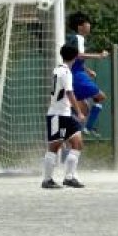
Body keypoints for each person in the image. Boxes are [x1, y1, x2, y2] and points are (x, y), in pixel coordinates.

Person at [42, 43, 88, 189]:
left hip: (64, 114)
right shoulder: (66, 72)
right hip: (58, 114)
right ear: (75, 57)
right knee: (54, 146)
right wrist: (79, 112)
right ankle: (47, 180)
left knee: (77, 143)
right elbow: (69, 92)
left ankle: (69, 177)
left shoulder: (58, 69)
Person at [66, 11, 108, 135]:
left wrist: (88, 70)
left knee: (83, 110)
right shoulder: (78, 38)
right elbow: (77, 55)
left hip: (76, 73)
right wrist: (99, 56)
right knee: (100, 97)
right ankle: (88, 128)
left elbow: (74, 58)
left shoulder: (75, 38)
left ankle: (71, 132)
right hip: (76, 75)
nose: (89, 26)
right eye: (87, 23)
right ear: (80, 26)